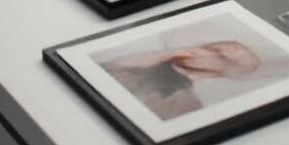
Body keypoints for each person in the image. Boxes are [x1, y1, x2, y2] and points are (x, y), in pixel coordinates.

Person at [101, 41, 262, 121]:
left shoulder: (185, 106)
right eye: (208, 47)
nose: (198, 51)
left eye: (218, 56)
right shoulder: (147, 60)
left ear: (219, 73)